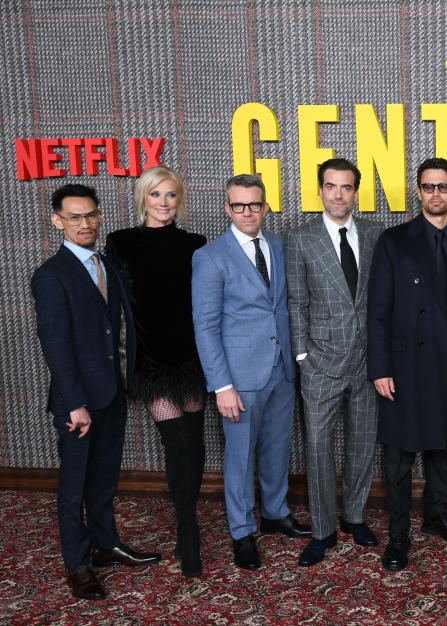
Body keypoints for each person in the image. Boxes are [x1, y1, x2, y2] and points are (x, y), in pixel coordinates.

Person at [32, 184, 160, 601]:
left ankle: (106, 545)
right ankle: (77, 564)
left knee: (104, 479)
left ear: (99, 216)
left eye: (90, 215)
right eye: (74, 217)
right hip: (79, 404)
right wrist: (76, 404)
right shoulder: (51, 275)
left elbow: (117, 330)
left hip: (113, 394)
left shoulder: (106, 264)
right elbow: (56, 346)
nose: (84, 223)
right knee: (74, 487)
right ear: (57, 221)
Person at [367, 157, 447, 571]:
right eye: (429, 186)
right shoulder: (394, 240)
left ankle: (436, 514)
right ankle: (399, 531)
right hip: (405, 359)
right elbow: (378, 309)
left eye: (444, 186)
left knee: (440, 443)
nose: (437, 193)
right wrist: (380, 367)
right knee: (399, 449)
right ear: (418, 191)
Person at [192, 174, 309, 571]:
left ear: (265, 207)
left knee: (278, 448)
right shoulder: (210, 256)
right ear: (227, 208)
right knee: (240, 458)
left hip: (281, 369)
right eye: (239, 205)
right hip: (239, 377)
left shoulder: (278, 245)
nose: (247, 212)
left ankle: (275, 513)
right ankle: (242, 532)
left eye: (254, 205)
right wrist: (222, 385)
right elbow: (205, 326)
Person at [104, 166, 207, 578]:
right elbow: (111, 306)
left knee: (195, 443)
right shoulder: (121, 242)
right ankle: (189, 526)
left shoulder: (195, 245)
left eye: (170, 195)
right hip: (150, 361)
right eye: (156, 195)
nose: (163, 203)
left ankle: (187, 523)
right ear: (143, 198)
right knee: (177, 442)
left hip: (192, 358)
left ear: (179, 199)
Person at [286, 158, 384, 566]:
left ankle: (355, 516)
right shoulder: (300, 238)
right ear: (320, 190)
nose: (338, 195)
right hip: (321, 361)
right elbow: (297, 300)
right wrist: (303, 356)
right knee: (319, 447)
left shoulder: (376, 235)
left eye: (346, 187)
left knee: (363, 443)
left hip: (366, 361)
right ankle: (323, 530)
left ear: (356, 192)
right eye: (331, 187)